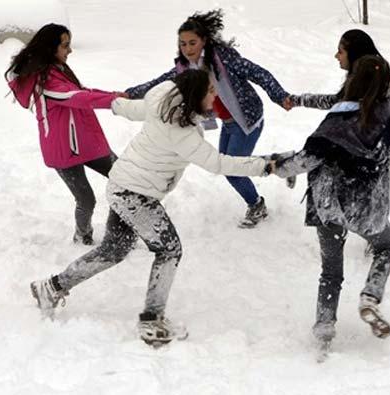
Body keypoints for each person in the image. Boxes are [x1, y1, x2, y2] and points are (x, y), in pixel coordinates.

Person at [29, 69, 273, 346]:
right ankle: (151, 321)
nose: (215, 95)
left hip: (123, 184)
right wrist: (265, 165)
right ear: (195, 95)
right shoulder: (181, 133)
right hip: (135, 195)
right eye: (211, 90)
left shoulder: (164, 98)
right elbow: (218, 164)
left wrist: (116, 103)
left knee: (113, 250)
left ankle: (51, 287)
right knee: (169, 250)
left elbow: (133, 108)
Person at [273, 56, 390, 348]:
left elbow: (307, 159)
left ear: (352, 82)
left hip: (329, 205)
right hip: (366, 206)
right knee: (386, 246)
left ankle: (324, 327)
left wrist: (278, 167)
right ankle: (370, 297)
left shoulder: (336, 119)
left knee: (331, 271)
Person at [125, 9, 290, 228]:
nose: (187, 49)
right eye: (183, 44)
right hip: (229, 124)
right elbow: (161, 81)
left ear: (204, 40)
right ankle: (280, 160)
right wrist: (129, 93)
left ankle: (257, 205)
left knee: (231, 170)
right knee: (228, 164)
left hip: (247, 121)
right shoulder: (185, 69)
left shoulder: (223, 59)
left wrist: (280, 95)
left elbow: (258, 73)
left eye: (192, 43)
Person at [6, 23, 126, 245]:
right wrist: (114, 101)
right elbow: (77, 98)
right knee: (86, 199)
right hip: (64, 151)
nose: (69, 50)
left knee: (125, 178)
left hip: (87, 143)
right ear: (51, 48)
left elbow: (82, 92)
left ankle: (121, 232)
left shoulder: (58, 70)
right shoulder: (46, 81)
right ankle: (82, 235)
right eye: (65, 45)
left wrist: (113, 95)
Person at [283, 29, 390, 111]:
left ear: (354, 54)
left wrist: (299, 100)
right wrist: (299, 100)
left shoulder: (371, 89)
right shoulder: (369, 80)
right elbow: (338, 101)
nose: (336, 56)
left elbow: (338, 103)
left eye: (340, 52)